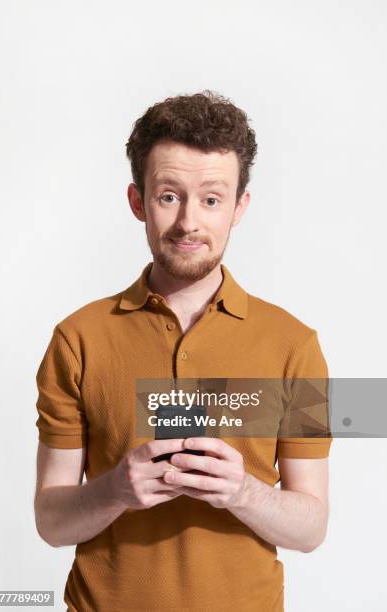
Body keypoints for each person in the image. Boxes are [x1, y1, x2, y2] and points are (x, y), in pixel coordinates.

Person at [34, 90, 332, 612]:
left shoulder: (295, 346)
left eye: (212, 199)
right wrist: (115, 490)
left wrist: (243, 491)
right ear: (137, 201)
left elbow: (311, 529)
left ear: (239, 207)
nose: (189, 222)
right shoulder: (76, 339)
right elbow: (51, 521)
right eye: (169, 195)